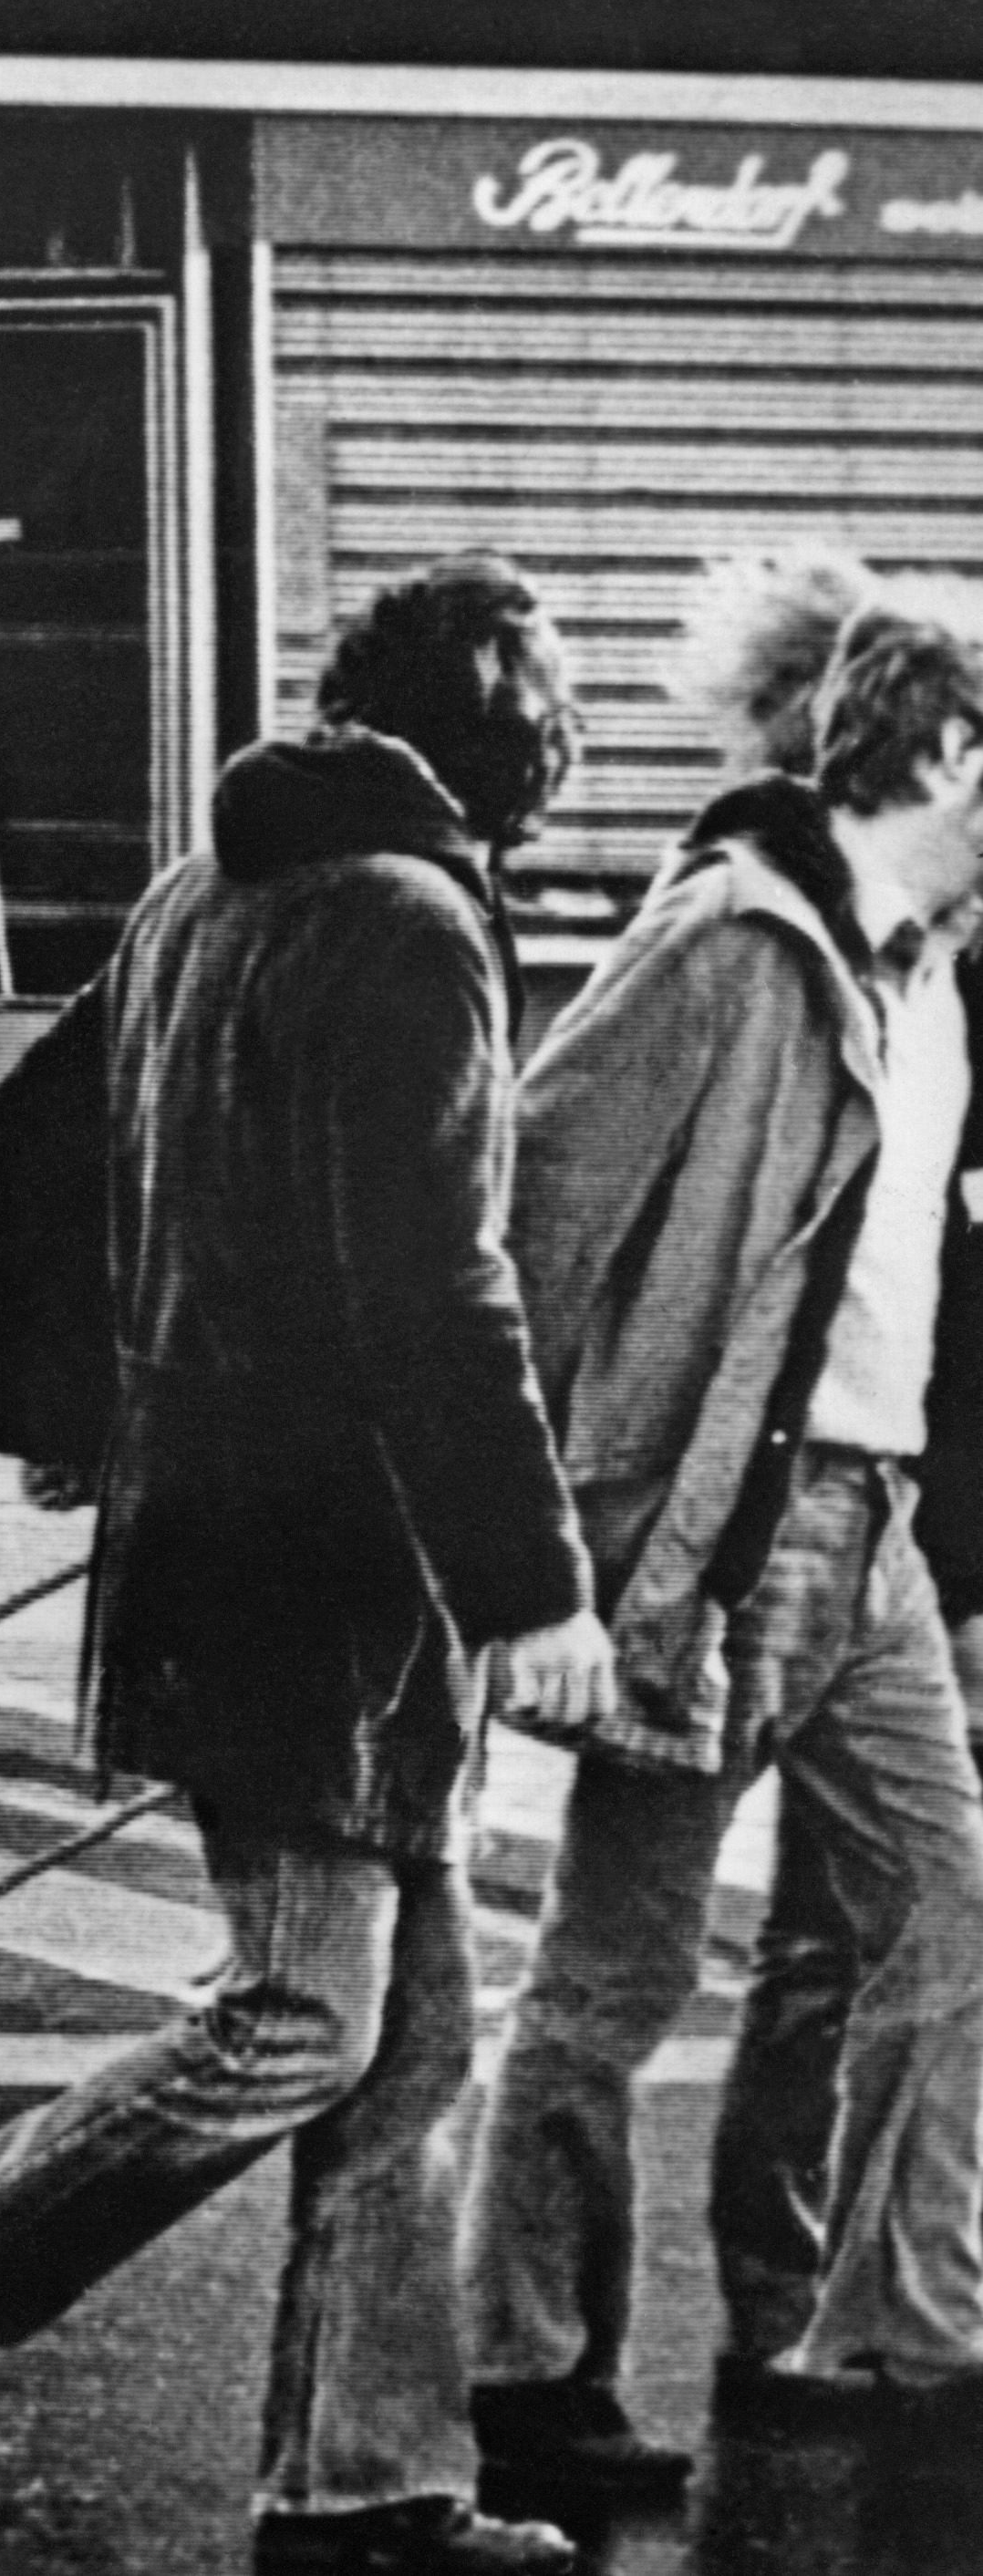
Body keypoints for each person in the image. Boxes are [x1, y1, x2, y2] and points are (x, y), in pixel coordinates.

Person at [0, 553, 611, 2573]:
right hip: (321, 1576)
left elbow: (32, 1133)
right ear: (500, 737)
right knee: (302, 2024)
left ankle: (367, 2489)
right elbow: (442, 1293)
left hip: (226, 1538)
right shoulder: (417, 923)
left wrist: (73, 1420)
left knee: (417, 2031)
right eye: (551, 714)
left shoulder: (210, 887)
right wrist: (533, 1585)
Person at [459, 586, 983, 2488]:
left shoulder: (926, 967)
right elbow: (528, 1210)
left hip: (876, 1522)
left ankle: (899, 2327)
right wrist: (541, 1531)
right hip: (721, 1529)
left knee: (946, 1911)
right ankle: (524, 2365)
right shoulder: (728, 944)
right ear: (944, 755)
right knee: (617, 1964)